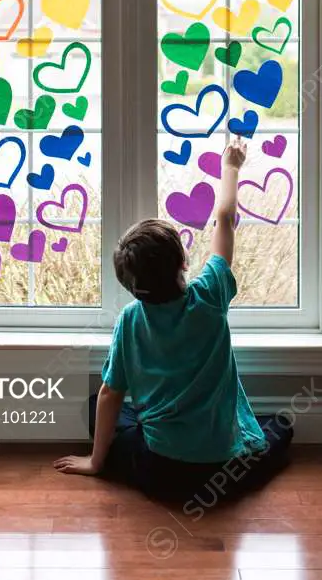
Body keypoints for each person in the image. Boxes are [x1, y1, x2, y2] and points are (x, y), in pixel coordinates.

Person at [54, 139, 292, 501]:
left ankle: (127, 466)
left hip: (159, 471)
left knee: (95, 407)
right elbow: (225, 221)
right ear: (183, 263)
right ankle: (235, 469)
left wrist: (95, 462)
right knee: (281, 427)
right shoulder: (210, 294)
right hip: (221, 472)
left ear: (131, 287)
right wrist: (231, 166)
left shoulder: (131, 320)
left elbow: (109, 394)